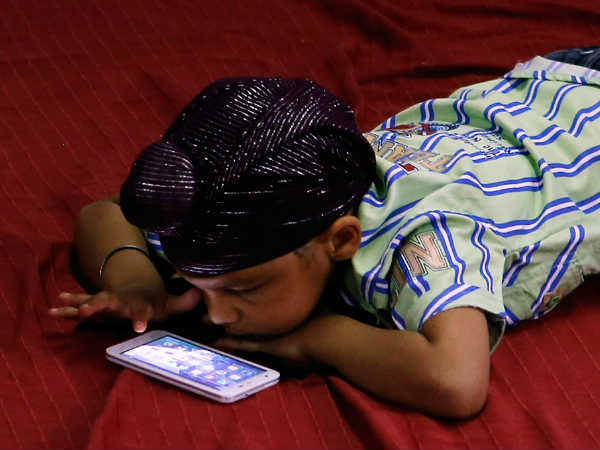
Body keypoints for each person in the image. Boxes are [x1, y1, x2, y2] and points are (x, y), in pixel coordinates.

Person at [49, 48, 600, 419]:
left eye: (243, 290)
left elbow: (456, 381)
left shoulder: (425, 239)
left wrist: (321, 338)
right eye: (200, 286)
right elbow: (104, 213)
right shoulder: (249, 210)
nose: (213, 315)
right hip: (542, 91)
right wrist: (137, 281)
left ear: (341, 241)